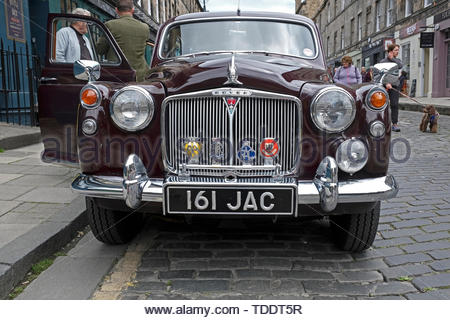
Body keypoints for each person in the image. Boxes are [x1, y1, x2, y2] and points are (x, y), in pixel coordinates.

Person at [97, 0, 150, 81]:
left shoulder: (110, 25)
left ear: (116, 10)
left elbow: (100, 50)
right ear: (132, 9)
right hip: (140, 76)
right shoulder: (145, 27)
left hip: (118, 75)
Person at [380, 44, 403, 132]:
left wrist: (392, 58)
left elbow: (400, 66)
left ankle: (395, 124)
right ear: (390, 51)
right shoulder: (383, 61)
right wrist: (386, 84)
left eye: (398, 50)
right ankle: (383, 123)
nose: (397, 52)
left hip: (395, 85)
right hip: (385, 86)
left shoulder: (397, 60)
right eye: (396, 50)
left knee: (394, 104)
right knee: (383, 105)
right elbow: (381, 74)